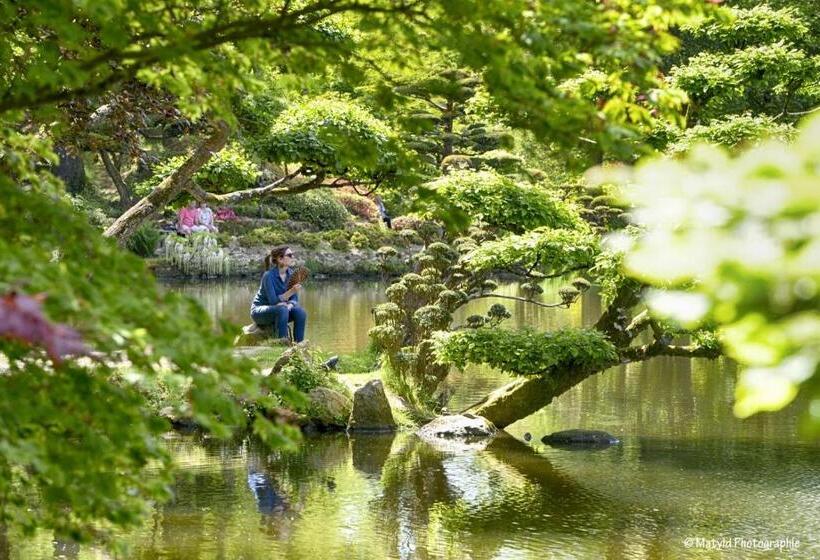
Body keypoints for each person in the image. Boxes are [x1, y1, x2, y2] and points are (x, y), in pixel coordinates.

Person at [250, 246, 307, 342]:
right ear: (280, 259)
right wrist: (291, 292)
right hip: (260, 311)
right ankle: (282, 344)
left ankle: (299, 345)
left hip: (281, 310)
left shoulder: (292, 274)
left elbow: (294, 299)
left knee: (300, 312)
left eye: (292, 255)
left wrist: (289, 305)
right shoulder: (268, 276)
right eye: (289, 255)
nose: (293, 257)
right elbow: (273, 301)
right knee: (282, 310)